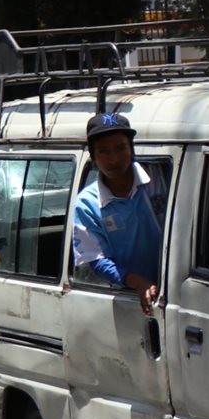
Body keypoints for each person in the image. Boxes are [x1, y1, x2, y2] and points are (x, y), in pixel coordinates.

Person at [72, 112, 163, 314]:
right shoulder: (86, 204)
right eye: (104, 151)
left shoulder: (159, 177)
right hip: (133, 301)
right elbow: (97, 260)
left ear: (131, 149)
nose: (114, 158)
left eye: (120, 148)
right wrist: (138, 283)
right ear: (93, 156)